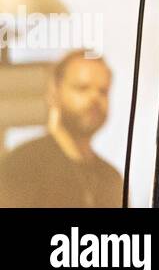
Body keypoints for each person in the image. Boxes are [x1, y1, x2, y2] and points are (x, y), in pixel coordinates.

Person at [0, 52, 122, 208]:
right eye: (82, 88)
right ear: (54, 93)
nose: (94, 98)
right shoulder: (22, 165)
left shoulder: (111, 178)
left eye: (103, 91)